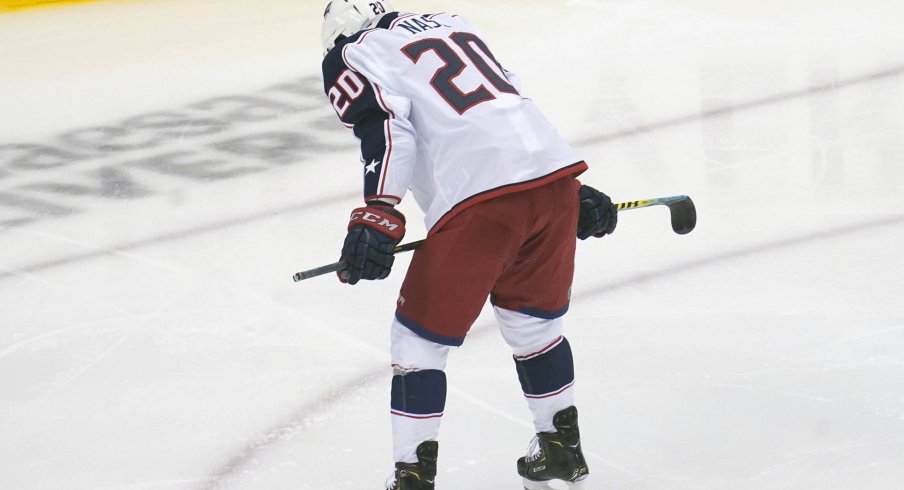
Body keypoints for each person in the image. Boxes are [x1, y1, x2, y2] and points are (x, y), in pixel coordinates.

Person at [320, 1, 617, 488]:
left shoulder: (352, 52)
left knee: (417, 343)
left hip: (481, 201)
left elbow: (387, 128)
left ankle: (413, 477)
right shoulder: (455, 22)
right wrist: (571, 191)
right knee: (533, 325)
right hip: (552, 177)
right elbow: (506, 102)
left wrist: (380, 210)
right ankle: (561, 448)